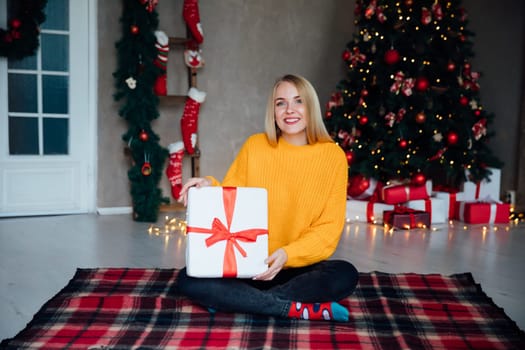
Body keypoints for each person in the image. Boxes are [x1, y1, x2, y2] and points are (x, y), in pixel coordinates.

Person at [177, 74, 359, 322]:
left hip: (294, 267)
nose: (289, 110)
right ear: (272, 111)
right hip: (248, 265)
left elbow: (328, 230)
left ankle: (233, 301)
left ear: (311, 107)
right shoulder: (256, 146)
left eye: (298, 101)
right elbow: (232, 196)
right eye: (280, 103)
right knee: (187, 278)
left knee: (345, 274)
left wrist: (286, 254)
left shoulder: (333, 157)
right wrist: (209, 184)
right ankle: (289, 307)